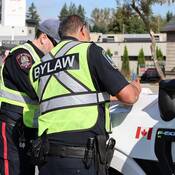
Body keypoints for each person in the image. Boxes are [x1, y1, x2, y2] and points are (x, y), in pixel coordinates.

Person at [30, 15, 141, 175]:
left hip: (47, 159)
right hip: (82, 159)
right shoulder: (89, 51)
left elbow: (74, 97)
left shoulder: (38, 67)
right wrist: (136, 87)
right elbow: (129, 97)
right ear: (82, 30)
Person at [0, 19, 60, 175]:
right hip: (13, 125)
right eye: (56, 43)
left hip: (29, 128)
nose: (57, 49)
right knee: (12, 170)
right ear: (44, 37)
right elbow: (37, 89)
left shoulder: (44, 60)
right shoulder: (22, 55)